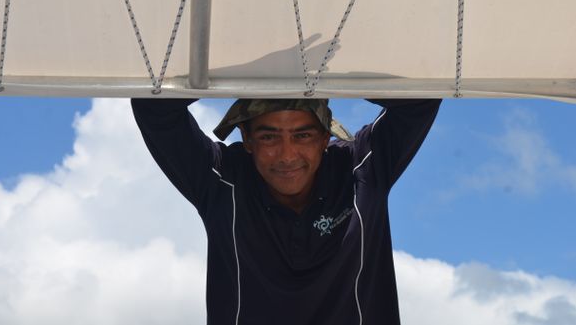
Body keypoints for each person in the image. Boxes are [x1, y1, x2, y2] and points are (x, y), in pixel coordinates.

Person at [131, 98, 441, 325]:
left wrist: (315, 69)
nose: (287, 155)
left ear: (324, 138)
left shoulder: (362, 168)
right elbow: (155, 108)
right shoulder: (222, 179)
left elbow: (419, 101)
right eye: (269, 137)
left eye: (303, 135)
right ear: (247, 139)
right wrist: (246, 61)